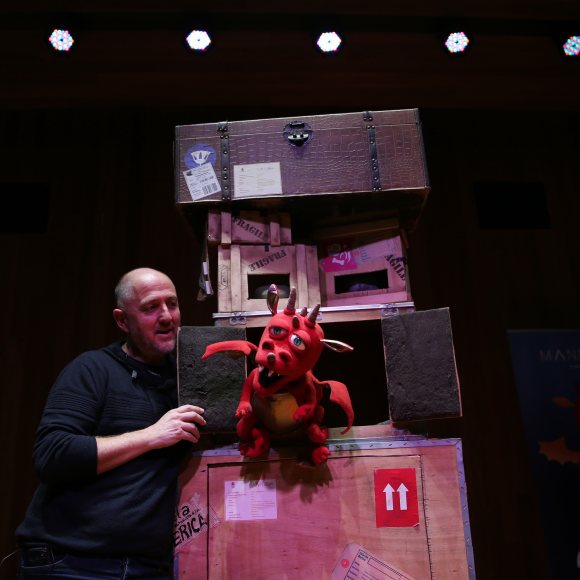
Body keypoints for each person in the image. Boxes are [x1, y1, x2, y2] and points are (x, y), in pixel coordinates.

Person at [16, 267, 206, 579]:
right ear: (122, 320)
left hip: (148, 567)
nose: (166, 316)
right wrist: (152, 435)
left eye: (171, 304)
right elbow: (51, 454)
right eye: (150, 307)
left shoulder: (187, 379)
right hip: (72, 564)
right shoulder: (92, 369)